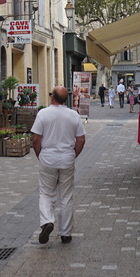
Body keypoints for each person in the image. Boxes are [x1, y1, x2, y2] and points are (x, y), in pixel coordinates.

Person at [31, 85, 86, 245]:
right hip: (67, 157)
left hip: (48, 157)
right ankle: (66, 233)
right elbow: (81, 139)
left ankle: (47, 221)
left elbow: (36, 138)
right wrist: (73, 155)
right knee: (66, 196)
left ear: (52, 97)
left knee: (46, 193)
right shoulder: (73, 115)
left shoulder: (43, 114)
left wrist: (39, 154)